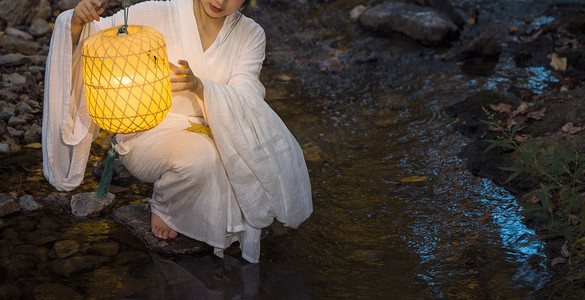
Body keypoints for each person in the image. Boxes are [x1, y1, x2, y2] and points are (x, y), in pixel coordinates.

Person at [42, 0, 313, 263]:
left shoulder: (250, 33)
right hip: (149, 130)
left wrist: (200, 87)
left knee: (241, 158)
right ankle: (165, 207)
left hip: (217, 129)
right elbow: (95, 36)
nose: (220, 1)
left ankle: (198, 214)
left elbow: (248, 96)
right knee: (201, 158)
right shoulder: (159, 12)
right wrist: (77, 20)